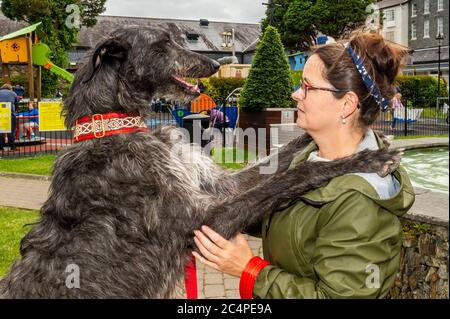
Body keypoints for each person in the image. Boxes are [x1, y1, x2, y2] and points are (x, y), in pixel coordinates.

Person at [192, 31, 415, 299]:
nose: (296, 93)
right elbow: (284, 216)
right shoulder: (308, 153)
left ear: (346, 104)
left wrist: (249, 270)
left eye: (308, 87)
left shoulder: (360, 200)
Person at [0, 84, 19, 150]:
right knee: (11, 130)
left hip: (0, 113)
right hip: (10, 113)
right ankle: (12, 146)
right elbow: (16, 104)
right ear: (10, 88)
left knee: (0, 130)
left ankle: (1, 146)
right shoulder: (13, 93)